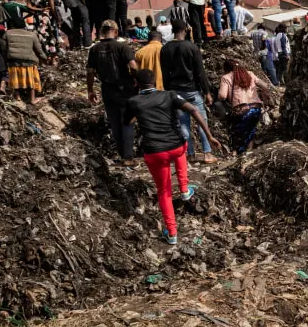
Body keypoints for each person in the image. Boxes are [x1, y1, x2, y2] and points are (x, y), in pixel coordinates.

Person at [126, 69, 219, 245]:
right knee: (181, 147)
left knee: (164, 191)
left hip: (155, 152)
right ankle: (184, 190)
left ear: (136, 83)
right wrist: (209, 136)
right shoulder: (169, 95)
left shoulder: (133, 101)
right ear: (155, 81)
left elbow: (128, 122)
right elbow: (193, 110)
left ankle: (172, 232)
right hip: (176, 147)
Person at [161, 19, 216, 164]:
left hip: (175, 91)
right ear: (185, 29)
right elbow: (200, 72)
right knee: (201, 121)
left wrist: (168, 92)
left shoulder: (165, 49)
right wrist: (207, 92)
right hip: (192, 90)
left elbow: (164, 73)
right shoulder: (191, 47)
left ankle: (190, 154)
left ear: (173, 30)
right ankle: (207, 153)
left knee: (183, 124)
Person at [88, 21, 138, 166]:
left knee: (115, 123)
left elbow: (90, 71)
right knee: (128, 122)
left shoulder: (94, 49)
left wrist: (90, 90)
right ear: (115, 32)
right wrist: (135, 79)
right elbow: (133, 66)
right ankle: (128, 158)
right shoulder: (123, 47)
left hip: (107, 89)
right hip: (125, 89)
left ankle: (123, 155)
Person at [218, 59, 269, 154]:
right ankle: (249, 151)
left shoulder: (226, 77)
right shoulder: (250, 74)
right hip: (256, 109)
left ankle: (237, 151)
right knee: (251, 130)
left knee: (237, 132)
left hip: (241, 110)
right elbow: (265, 86)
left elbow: (222, 96)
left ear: (226, 68)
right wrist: (264, 97)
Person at [26, 0, 61, 66]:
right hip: (46, 18)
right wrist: (57, 20)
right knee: (51, 38)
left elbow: (29, 6)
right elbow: (52, 8)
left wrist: (38, 9)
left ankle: (42, 60)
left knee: (40, 38)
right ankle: (53, 59)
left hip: (37, 19)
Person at [5, 27, 46, 103]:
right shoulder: (32, 35)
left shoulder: (7, 33)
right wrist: (44, 58)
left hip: (13, 61)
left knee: (15, 80)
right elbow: (38, 49)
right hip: (29, 61)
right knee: (31, 80)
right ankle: (32, 99)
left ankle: (17, 97)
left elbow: (4, 48)